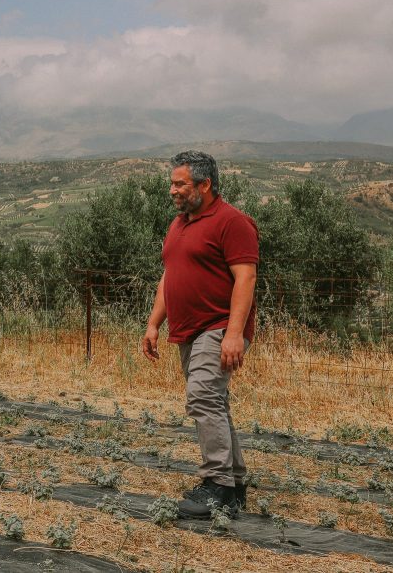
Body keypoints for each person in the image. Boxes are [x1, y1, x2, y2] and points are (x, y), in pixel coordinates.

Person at [140, 151, 258, 519]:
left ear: (205, 185)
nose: (172, 190)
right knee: (214, 402)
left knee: (203, 396)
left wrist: (234, 334)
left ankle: (217, 486)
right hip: (188, 330)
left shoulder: (232, 222)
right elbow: (170, 276)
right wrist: (154, 323)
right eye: (173, 183)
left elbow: (246, 277)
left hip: (218, 326)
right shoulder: (179, 224)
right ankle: (234, 485)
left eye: (180, 184)